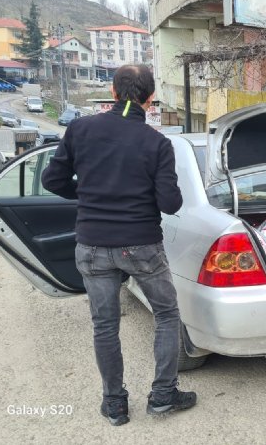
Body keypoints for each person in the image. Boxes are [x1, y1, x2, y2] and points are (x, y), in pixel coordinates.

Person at [42, 65, 196, 426]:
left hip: (93, 245)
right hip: (141, 245)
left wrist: (87, 194)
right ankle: (163, 395)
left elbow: (52, 180)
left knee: (105, 325)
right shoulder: (157, 143)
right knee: (167, 314)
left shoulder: (80, 130)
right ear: (150, 98)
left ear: (113, 93)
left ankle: (115, 405)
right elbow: (170, 203)